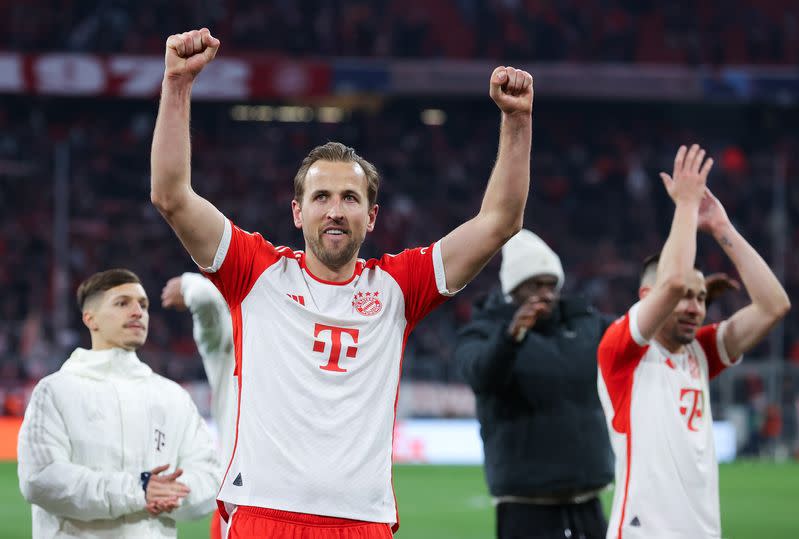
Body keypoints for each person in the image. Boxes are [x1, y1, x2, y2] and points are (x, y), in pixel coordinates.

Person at [150, 27, 534, 537]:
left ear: (371, 217)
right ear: (296, 211)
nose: (335, 211)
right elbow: (171, 195)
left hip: (361, 522)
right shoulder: (254, 271)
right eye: (321, 197)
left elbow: (500, 221)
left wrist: (517, 120)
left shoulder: (400, 287)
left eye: (350, 198)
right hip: (264, 515)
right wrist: (176, 83)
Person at [597, 145, 790, 539]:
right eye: (687, 296)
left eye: (702, 298)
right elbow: (674, 281)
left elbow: (774, 306)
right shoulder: (623, 349)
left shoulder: (699, 352)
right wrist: (685, 206)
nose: (695, 306)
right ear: (645, 295)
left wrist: (722, 228)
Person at [17, 268, 220, 538]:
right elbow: (40, 479)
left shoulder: (173, 397)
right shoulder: (55, 391)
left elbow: (210, 475)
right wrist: (138, 490)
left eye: (144, 305)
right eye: (122, 303)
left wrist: (171, 493)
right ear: (90, 319)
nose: (138, 312)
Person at [455, 229, 614, 539]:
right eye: (536, 285)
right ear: (513, 290)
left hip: (587, 501)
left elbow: (633, 333)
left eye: (552, 284)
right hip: (524, 505)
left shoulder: (584, 325)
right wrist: (511, 336)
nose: (547, 293)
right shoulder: (483, 332)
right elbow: (480, 375)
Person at [162, 272, 236, 539]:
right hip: (244, 505)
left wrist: (188, 283)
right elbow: (205, 299)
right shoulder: (227, 337)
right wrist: (189, 284)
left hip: (246, 501)